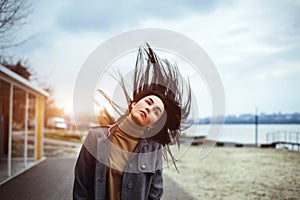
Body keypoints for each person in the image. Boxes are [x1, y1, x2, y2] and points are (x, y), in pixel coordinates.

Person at [73, 44, 192, 200]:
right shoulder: (95, 137)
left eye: (156, 112)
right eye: (148, 102)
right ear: (133, 104)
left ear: (153, 124)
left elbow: (155, 194)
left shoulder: (153, 150)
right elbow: (81, 187)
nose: (150, 109)